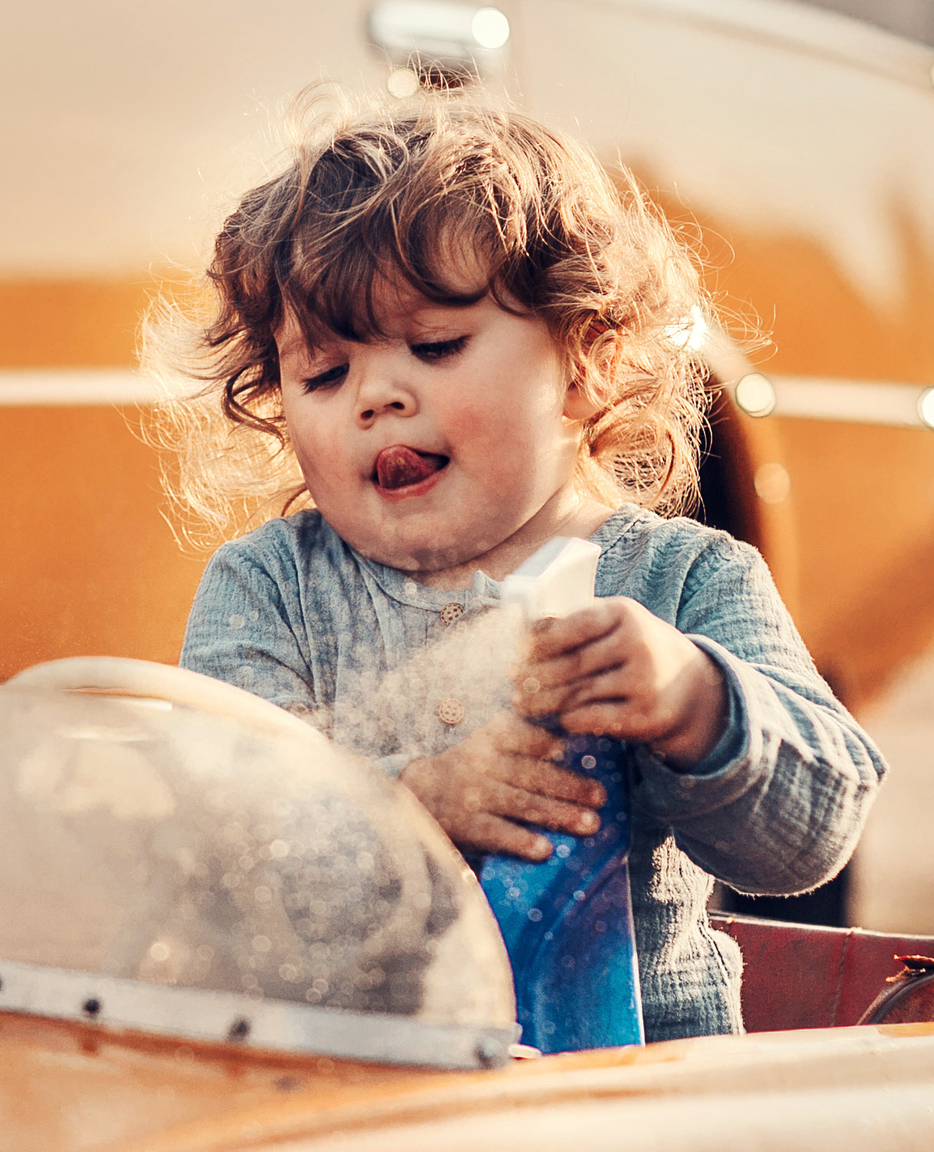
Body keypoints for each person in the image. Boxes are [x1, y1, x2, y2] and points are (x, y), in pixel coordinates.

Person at [155, 94, 883, 1040]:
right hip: (351, 1096)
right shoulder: (271, 593)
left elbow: (812, 837)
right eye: (325, 374)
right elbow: (220, 841)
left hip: (635, 1103)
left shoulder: (687, 582)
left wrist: (696, 701)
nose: (376, 395)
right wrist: (412, 803)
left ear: (587, 360)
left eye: (435, 345)